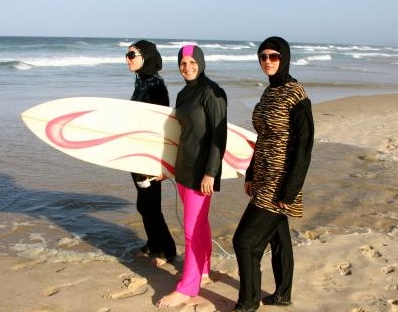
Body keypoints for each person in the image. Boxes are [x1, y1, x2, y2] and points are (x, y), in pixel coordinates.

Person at [232, 36, 315, 312]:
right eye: (263, 56)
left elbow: (304, 146)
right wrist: (250, 173)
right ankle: (282, 294)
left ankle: (247, 304)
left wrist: (290, 191)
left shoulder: (296, 94)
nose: (267, 61)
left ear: (285, 58)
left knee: (244, 242)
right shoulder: (268, 93)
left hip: (281, 182)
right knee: (279, 238)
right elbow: (263, 137)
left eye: (273, 56)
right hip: (263, 176)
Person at [157, 44, 227, 308]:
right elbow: (180, 136)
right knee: (200, 225)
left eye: (192, 62)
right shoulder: (184, 94)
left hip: (201, 173)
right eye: (182, 63)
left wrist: (211, 173)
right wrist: (167, 168)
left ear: (201, 62)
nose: (187, 67)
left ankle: (188, 287)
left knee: (190, 230)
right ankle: (204, 269)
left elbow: (219, 137)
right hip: (183, 168)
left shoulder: (213, 92)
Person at [125, 40, 176, 266]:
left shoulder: (155, 85)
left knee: (150, 205)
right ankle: (153, 244)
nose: (128, 59)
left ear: (145, 56)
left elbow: (162, 126)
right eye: (127, 55)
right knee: (143, 204)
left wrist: (160, 163)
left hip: (149, 157)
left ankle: (168, 250)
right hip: (137, 153)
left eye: (132, 55)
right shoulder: (142, 82)